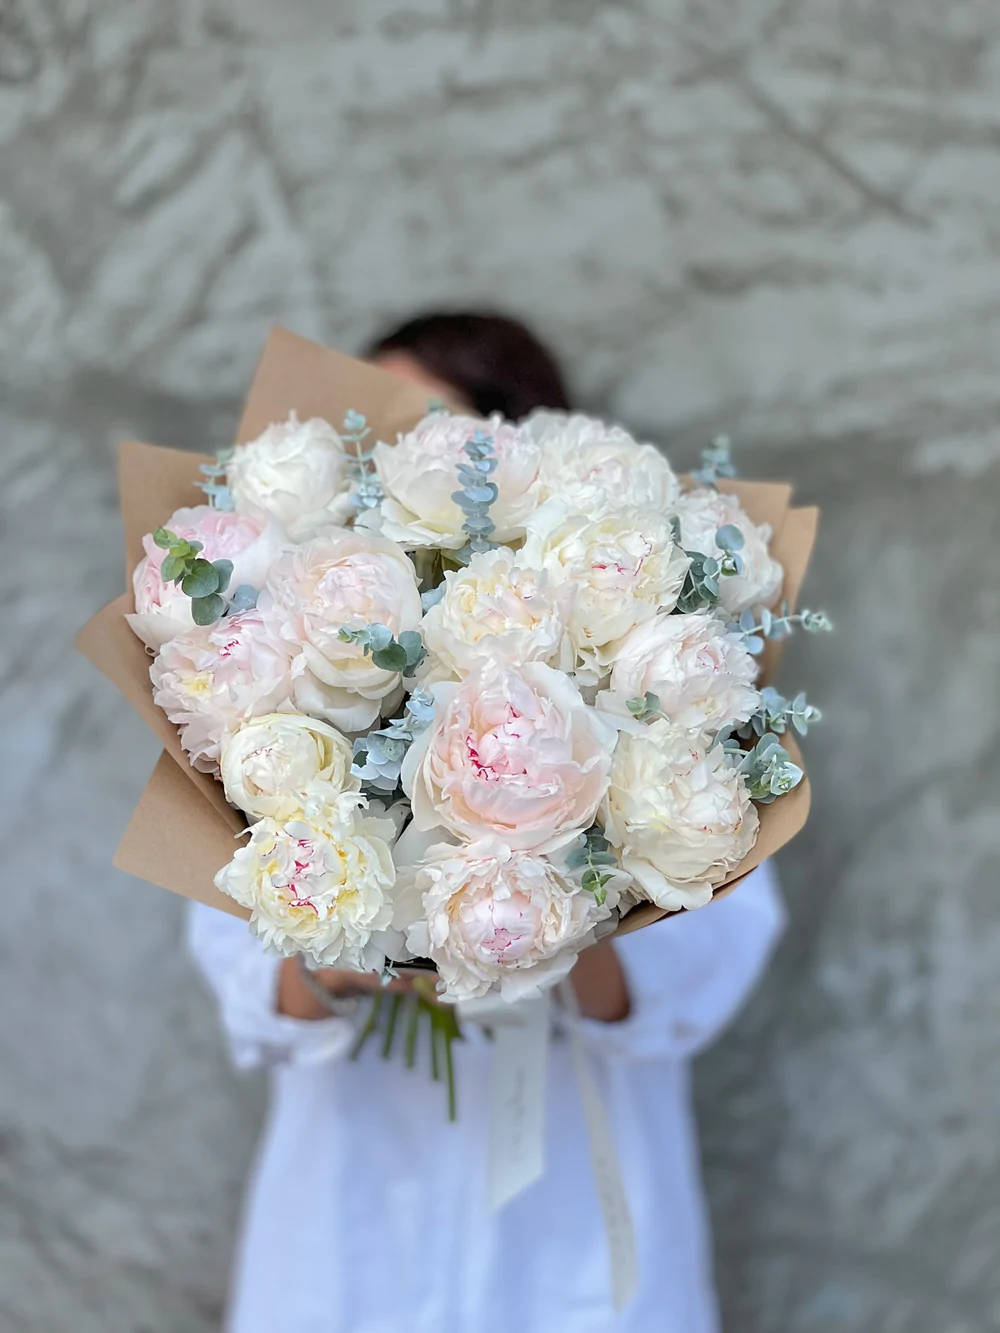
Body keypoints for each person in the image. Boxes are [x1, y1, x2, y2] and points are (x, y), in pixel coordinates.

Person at [187, 311, 786, 1333]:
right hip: (352, 1212)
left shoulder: (677, 686)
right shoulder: (283, 687)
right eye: (372, 438)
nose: (393, 462)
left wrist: (550, 899)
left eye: (433, 429)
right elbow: (237, 958)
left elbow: (711, 950)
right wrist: (348, 927)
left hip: (572, 1214)